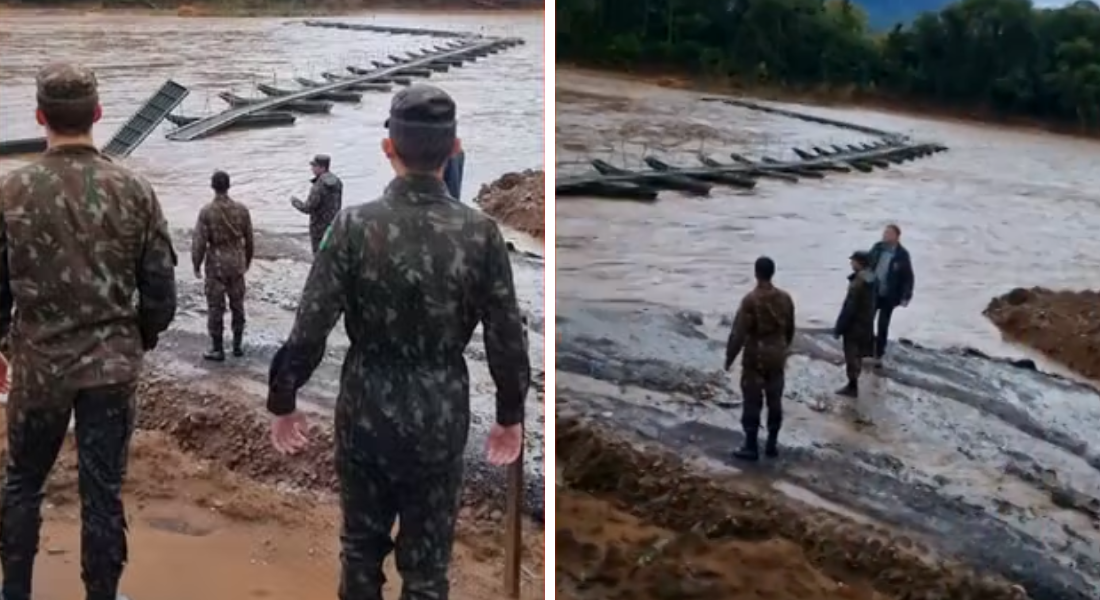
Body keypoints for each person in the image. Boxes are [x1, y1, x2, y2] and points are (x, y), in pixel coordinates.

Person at [266, 84, 529, 600]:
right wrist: (509, 414)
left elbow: (310, 325)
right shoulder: (481, 234)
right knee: (428, 570)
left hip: (365, 411)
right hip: (440, 416)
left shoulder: (352, 227)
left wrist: (284, 398)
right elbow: (505, 335)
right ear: (454, 150)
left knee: (360, 552)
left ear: (389, 149)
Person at [0, 62, 178, 600]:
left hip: (38, 366)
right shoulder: (135, 189)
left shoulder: (12, 191)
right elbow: (161, 293)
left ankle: (15, 592)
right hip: (111, 368)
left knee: (23, 483)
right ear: (99, 115)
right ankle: (102, 593)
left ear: (39, 116)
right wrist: (135, 339)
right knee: (102, 493)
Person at [724, 256, 795, 461]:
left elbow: (739, 333)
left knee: (753, 400)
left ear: (756, 273)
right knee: (775, 399)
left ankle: (751, 446)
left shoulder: (750, 300)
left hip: (756, 355)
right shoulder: (785, 298)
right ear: (772, 273)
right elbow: (790, 327)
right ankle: (772, 444)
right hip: (777, 355)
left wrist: (730, 358)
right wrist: (784, 348)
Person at [192, 170, 254, 361]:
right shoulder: (242, 210)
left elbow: (199, 242)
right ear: (229, 185)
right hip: (236, 263)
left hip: (216, 264)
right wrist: (247, 260)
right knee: (238, 305)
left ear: (213, 186)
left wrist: (196, 264)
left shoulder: (207, 211)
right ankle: (237, 346)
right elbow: (250, 240)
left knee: (215, 307)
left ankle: (217, 349)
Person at [867, 223, 914, 366]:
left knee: (883, 325)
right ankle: (867, 350)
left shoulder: (902, 255)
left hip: (889, 295)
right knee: (867, 321)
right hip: (874, 291)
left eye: (888, 233)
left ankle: (879, 353)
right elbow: (867, 264)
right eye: (884, 232)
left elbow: (908, 277)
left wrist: (906, 296)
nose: (885, 235)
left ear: (896, 236)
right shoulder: (877, 248)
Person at [834, 251, 876, 398]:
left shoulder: (858, 282)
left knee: (851, 355)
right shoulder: (871, 278)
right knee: (858, 355)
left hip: (854, 325)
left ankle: (852, 386)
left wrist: (839, 327)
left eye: (853, 261)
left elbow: (849, 307)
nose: (851, 264)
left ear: (859, 263)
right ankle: (854, 383)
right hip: (866, 323)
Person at [291, 154, 343, 254]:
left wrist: (295, 202)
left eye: (314, 166)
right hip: (334, 226)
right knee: (331, 255)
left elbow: (308, 208)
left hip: (318, 229)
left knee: (318, 256)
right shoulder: (338, 182)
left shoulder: (319, 185)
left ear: (322, 168)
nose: (312, 169)